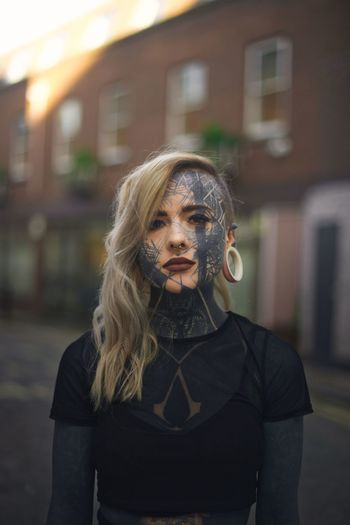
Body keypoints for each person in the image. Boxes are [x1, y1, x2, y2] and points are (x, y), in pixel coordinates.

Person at [46, 151, 313, 525]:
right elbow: (66, 511)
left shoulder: (272, 362)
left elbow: (281, 514)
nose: (176, 238)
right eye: (155, 223)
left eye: (198, 218)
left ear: (228, 239)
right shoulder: (91, 359)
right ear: (134, 246)